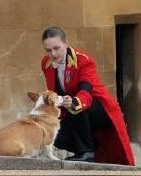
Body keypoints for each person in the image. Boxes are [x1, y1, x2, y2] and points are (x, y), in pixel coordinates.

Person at [40, 27, 135, 165]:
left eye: (57, 48)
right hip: (72, 112)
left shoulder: (84, 60)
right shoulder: (46, 64)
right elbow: (54, 91)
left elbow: (86, 91)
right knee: (55, 135)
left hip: (99, 110)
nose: (53, 54)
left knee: (77, 107)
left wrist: (73, 101)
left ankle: (87, 152)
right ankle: (89, 148)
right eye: (48, 50)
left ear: (66, 43)